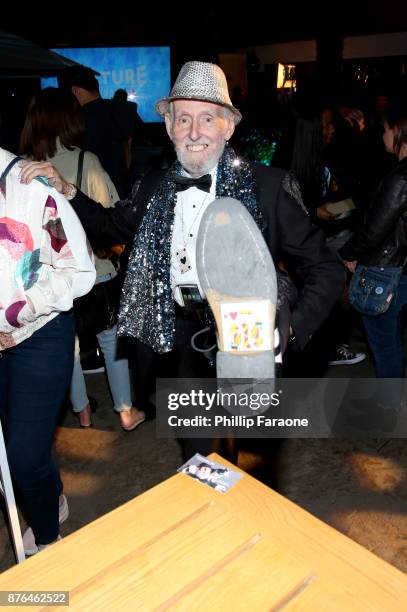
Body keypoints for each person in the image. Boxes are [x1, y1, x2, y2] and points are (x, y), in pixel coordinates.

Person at [20, 61, 345, 457]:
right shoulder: (153, 186)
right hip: (179, 338)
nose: (194, 132)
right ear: (170, 127)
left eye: (208, 118)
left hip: (244, 340)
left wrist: (287, 333)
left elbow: (326, 269)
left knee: (244, 441)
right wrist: (65, 188)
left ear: (229, 126)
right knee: (198, 449)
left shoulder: (269, 187)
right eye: (184, 119)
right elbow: (109, 226)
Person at [19, 88, 145, 431]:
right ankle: (125, 411)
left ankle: (82, 410)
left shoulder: (21, 169)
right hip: (95, 271)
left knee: (69, 345)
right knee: (110, 339)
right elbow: (111, 216)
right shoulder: (84, 161)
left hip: (49, 277)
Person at [0, 147, 95, 555]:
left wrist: (15, 313)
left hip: (40, 334)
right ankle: (51, 498)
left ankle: (47, 541)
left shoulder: (30, 183)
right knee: (19, 445)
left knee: (23, 455)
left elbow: (78, 274)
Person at [340, 107, 407, 381]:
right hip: (400, 267)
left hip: (387, 269)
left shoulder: (401, 177)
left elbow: (374, 230)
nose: (382, 135)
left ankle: (387, 407)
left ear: (399, 133)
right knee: (393, 338)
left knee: (384, 344)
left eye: (385, 130)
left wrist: (348, 252)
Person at [59, 66, 132, 198]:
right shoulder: (120, 111)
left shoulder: (78, 121)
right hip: (120, 192)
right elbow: (127, 153)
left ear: (75, 91)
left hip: (92, 196)